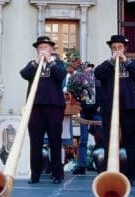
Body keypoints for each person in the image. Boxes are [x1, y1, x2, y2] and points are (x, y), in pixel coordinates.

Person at [94, 35, 135, 186]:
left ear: (125, 49)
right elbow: (97, 74)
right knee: (109, 141)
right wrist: (111, 62)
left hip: (129, 108)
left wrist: (127, 62)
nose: (117, 50)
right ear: (111, 49)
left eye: (120, 47)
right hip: (109, 109)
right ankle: (109, 173)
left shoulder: (132, 63)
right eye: (114, 48)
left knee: (131, 141)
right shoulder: (107, 65)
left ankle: (132, 175)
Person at [20, 36, 67, 184]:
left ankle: (57, 174)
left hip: (54, 107)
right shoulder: (32, 64)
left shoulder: (58, 63)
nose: (43, 50)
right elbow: (23, 74)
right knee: (35, 141)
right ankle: (35, 174)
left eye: (46, 47)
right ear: (37, 50)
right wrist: (35, 63)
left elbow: (61, 76)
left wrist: (50, 61)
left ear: (52, 49)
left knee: (55, 141)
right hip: (35, 108)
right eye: (41, 48)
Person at [67, 62, 103, 175]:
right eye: (85, 68)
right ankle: (81, 166)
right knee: (83, 140)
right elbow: (73, 93)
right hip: (84, 111)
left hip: (96, 111)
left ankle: (100, 163)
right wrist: (78, 104)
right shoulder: (79, 80)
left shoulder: (98, 80)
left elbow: (104, 93)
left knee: (100, 139)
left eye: (89, 68)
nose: (87, 70)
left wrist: (101, 105)